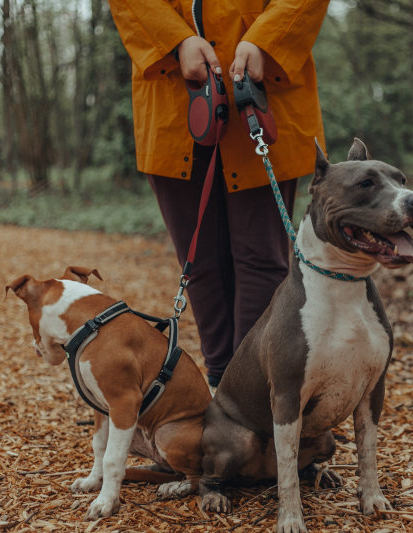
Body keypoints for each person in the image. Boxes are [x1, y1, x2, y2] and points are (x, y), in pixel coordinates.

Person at [106, 1, 330, 388]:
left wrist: (265, 41)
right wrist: (176, 42)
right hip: (173, 102)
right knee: (200, 262)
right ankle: (221, 389)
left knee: (261, 257)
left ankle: (251, 394)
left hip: (260, 96)